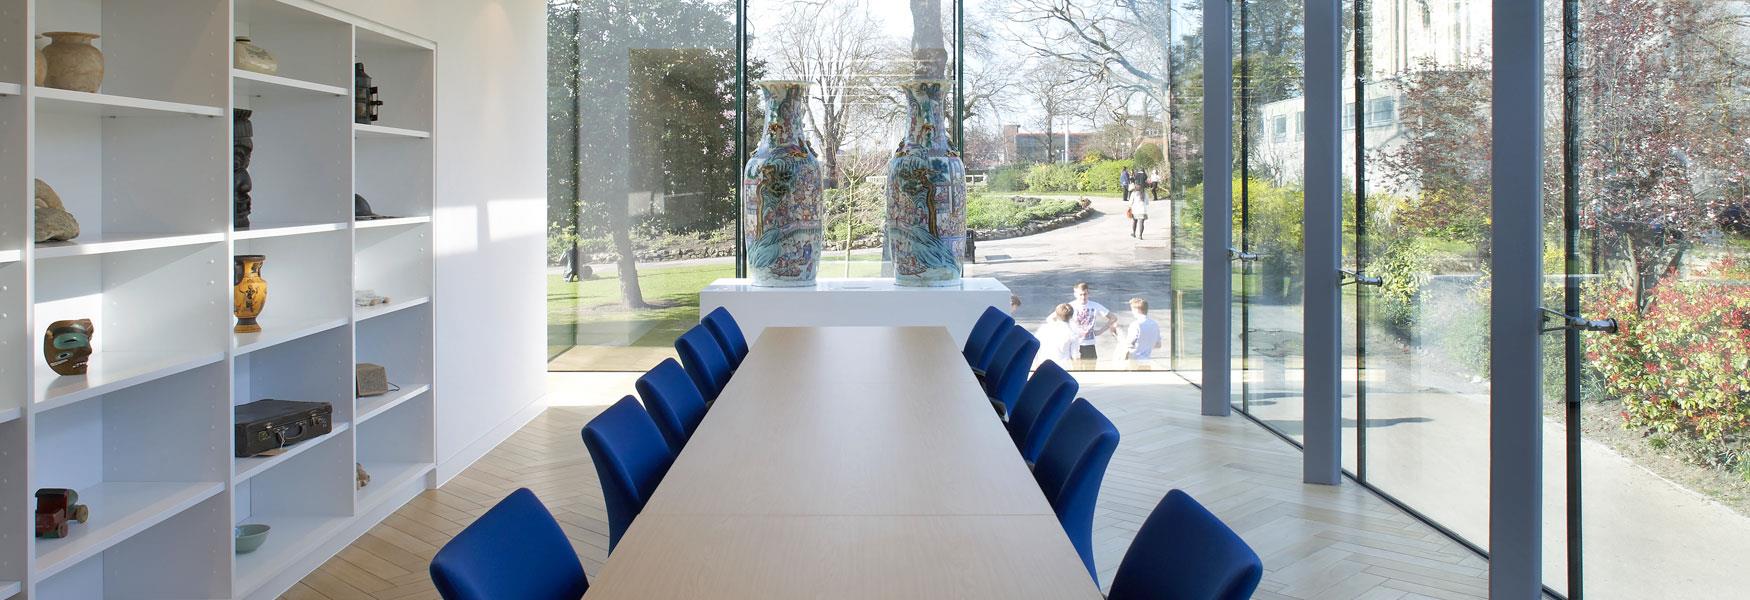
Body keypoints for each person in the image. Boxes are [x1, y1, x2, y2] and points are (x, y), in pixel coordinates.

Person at [1068, 282, 1117, 361]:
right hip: (1074, 344)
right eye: (1080, 294)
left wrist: (1100, 331)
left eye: (1085, 294)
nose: (1083, 297)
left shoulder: (1095, 305)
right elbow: (1053, 318)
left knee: (1091, 371)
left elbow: (1113, 318)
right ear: (1075, 294)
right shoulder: (1070, 306)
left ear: (1088, 293)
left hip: (1089, 344)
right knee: (1075, 371)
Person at [1123, 297, 1162, 362]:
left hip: (1134, 360)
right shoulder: (1154, 324)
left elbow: (1129, 344)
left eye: (1132, 310)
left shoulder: (1135, 325)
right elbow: (1158, 345)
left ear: (1136, 310)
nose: (1132, 312)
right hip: (1147, 360)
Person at [1129, 173, 1151, 238]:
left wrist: (1130, 207)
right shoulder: (1145, 194)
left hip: (1135, 210)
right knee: (1141, 223)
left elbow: (1130, 202)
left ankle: (1133, 233)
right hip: (1142, 210)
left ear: (1136, 187)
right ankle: (1140, 235)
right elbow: (1147, 203)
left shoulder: (1133, 193)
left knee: (1134, 222)